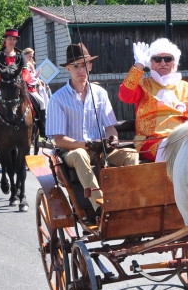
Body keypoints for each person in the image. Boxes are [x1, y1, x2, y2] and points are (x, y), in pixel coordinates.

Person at [47, 43, 138, 203]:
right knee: (81, 154)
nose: (80, 70)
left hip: (101, 149)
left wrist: (113, 140)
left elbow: (110, 127)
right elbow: (59, 140)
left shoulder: (100, 93)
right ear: (68, 68)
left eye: (83, 65)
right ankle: (100, 206)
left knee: (132, 155)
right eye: (75, 66)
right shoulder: (57, 99)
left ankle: (128, 200)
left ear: (90, 65)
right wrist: (87, 145)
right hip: (72, 152)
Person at [118, 37, 188, 161]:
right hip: (151, 142)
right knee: (172, 150)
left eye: (168, 59)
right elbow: (125, 95)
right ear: (151, 63)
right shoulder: (143, 85)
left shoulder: (186, 87)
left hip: (182, 139)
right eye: (157, 59)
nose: (163, 63)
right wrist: (139, 66)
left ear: (174, 63)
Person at [0, 28, 24, 144]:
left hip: (18, 87)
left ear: (16, 41)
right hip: (3, 87)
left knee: (40, 102)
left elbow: (25, 72)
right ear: (5, 40)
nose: (11, 41)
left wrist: (23, 82)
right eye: (9, 38)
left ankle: (41, 129)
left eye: (14, 39)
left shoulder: (20, 56)